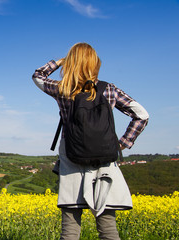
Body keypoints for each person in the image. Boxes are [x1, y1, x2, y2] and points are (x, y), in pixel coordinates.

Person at [32, 43, 149, 240]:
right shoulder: (109, 89)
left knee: (70, 231)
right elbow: (142, 115)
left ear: (71, 63)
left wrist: (59, 62)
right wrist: (123, 143)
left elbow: (37, 76)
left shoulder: (63, 89)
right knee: (108, 229)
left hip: (71, 161)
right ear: (95, 64)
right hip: (104, 163)